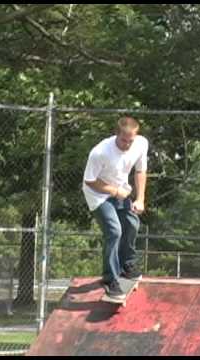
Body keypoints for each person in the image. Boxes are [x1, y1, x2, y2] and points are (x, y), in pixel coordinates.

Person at [82, 116, 148, 300]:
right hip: (98, 195)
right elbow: (90, 180)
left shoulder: (141, 144)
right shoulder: (100, 152)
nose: (127, 145)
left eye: (130, 141)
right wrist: (113, 190)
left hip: (121, 191)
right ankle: (110, 279)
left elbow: (141, 171)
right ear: (116, 134)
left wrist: (141, 198)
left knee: (132, 224)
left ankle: (128, 265)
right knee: (114, 230)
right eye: (123, 140)